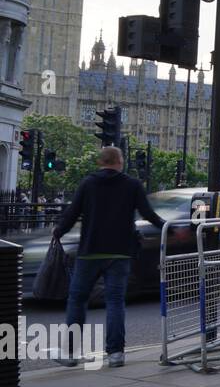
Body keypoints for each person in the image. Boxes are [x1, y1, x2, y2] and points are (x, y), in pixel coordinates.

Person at [52, 147, 165, 368]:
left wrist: (58, 231)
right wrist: (168, 228)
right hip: (120, 252)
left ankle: (70, 352)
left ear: (100, 162)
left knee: (78, 299)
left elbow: (72, 213)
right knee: (115, 302)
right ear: (119, 162)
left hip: (90, 251)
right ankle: (116, 353)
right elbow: (148, 213)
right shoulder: (132, 185)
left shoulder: (88, 183)